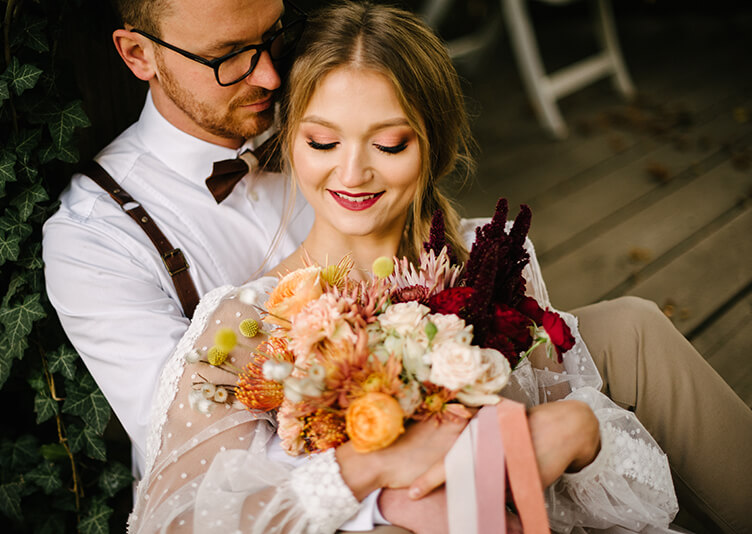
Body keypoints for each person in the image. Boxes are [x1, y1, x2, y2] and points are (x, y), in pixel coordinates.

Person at [41, 0, 752, 532]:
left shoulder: (336, 125)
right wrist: (386, 473)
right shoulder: (102, 240)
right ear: (139, 55)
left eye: (273, 39)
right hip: (308, 475)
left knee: (631, 328)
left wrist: (569, 429)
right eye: (231, 54)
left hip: (485, 428)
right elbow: (205, 454)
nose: (267, 72)